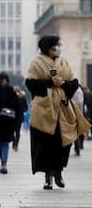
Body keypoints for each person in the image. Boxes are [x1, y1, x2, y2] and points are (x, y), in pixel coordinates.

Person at [25, 35, 90, 190]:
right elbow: (30, 83)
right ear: (48, 48)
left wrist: (63, 84)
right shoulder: (36, 62)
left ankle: (58, 171)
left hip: (62, 108)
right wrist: (49, 82)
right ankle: (47, 176)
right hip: (44, 110)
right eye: (55, 46)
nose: (58, 48)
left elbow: (74, 82)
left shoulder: (63, 62)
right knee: (45, 143)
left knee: (63, 142)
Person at [0, 73, 21, 174]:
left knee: (5, 143)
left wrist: (16, 120)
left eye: (5, 80)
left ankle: (4, 163)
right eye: (2, 80)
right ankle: (2, 161)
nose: (3, 82)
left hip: (8, 122)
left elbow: (17, 106)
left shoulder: (11, 91)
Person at [12, 86, 28, 151]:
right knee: (12, 131)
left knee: (17, 131)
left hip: (19, 117)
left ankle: (16, 145)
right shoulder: (11, 97)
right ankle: (14, 142)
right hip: (12, 117)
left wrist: (21, 110)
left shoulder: (22, 98)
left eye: (17, 90)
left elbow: (26, 107)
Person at [72, 85, 85, 156]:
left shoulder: (77, 92)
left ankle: (77, 148)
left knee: (76, 132)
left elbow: (79, 103)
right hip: (77, 114)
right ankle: (78, 147)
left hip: (76, 114)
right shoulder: (79, 91)